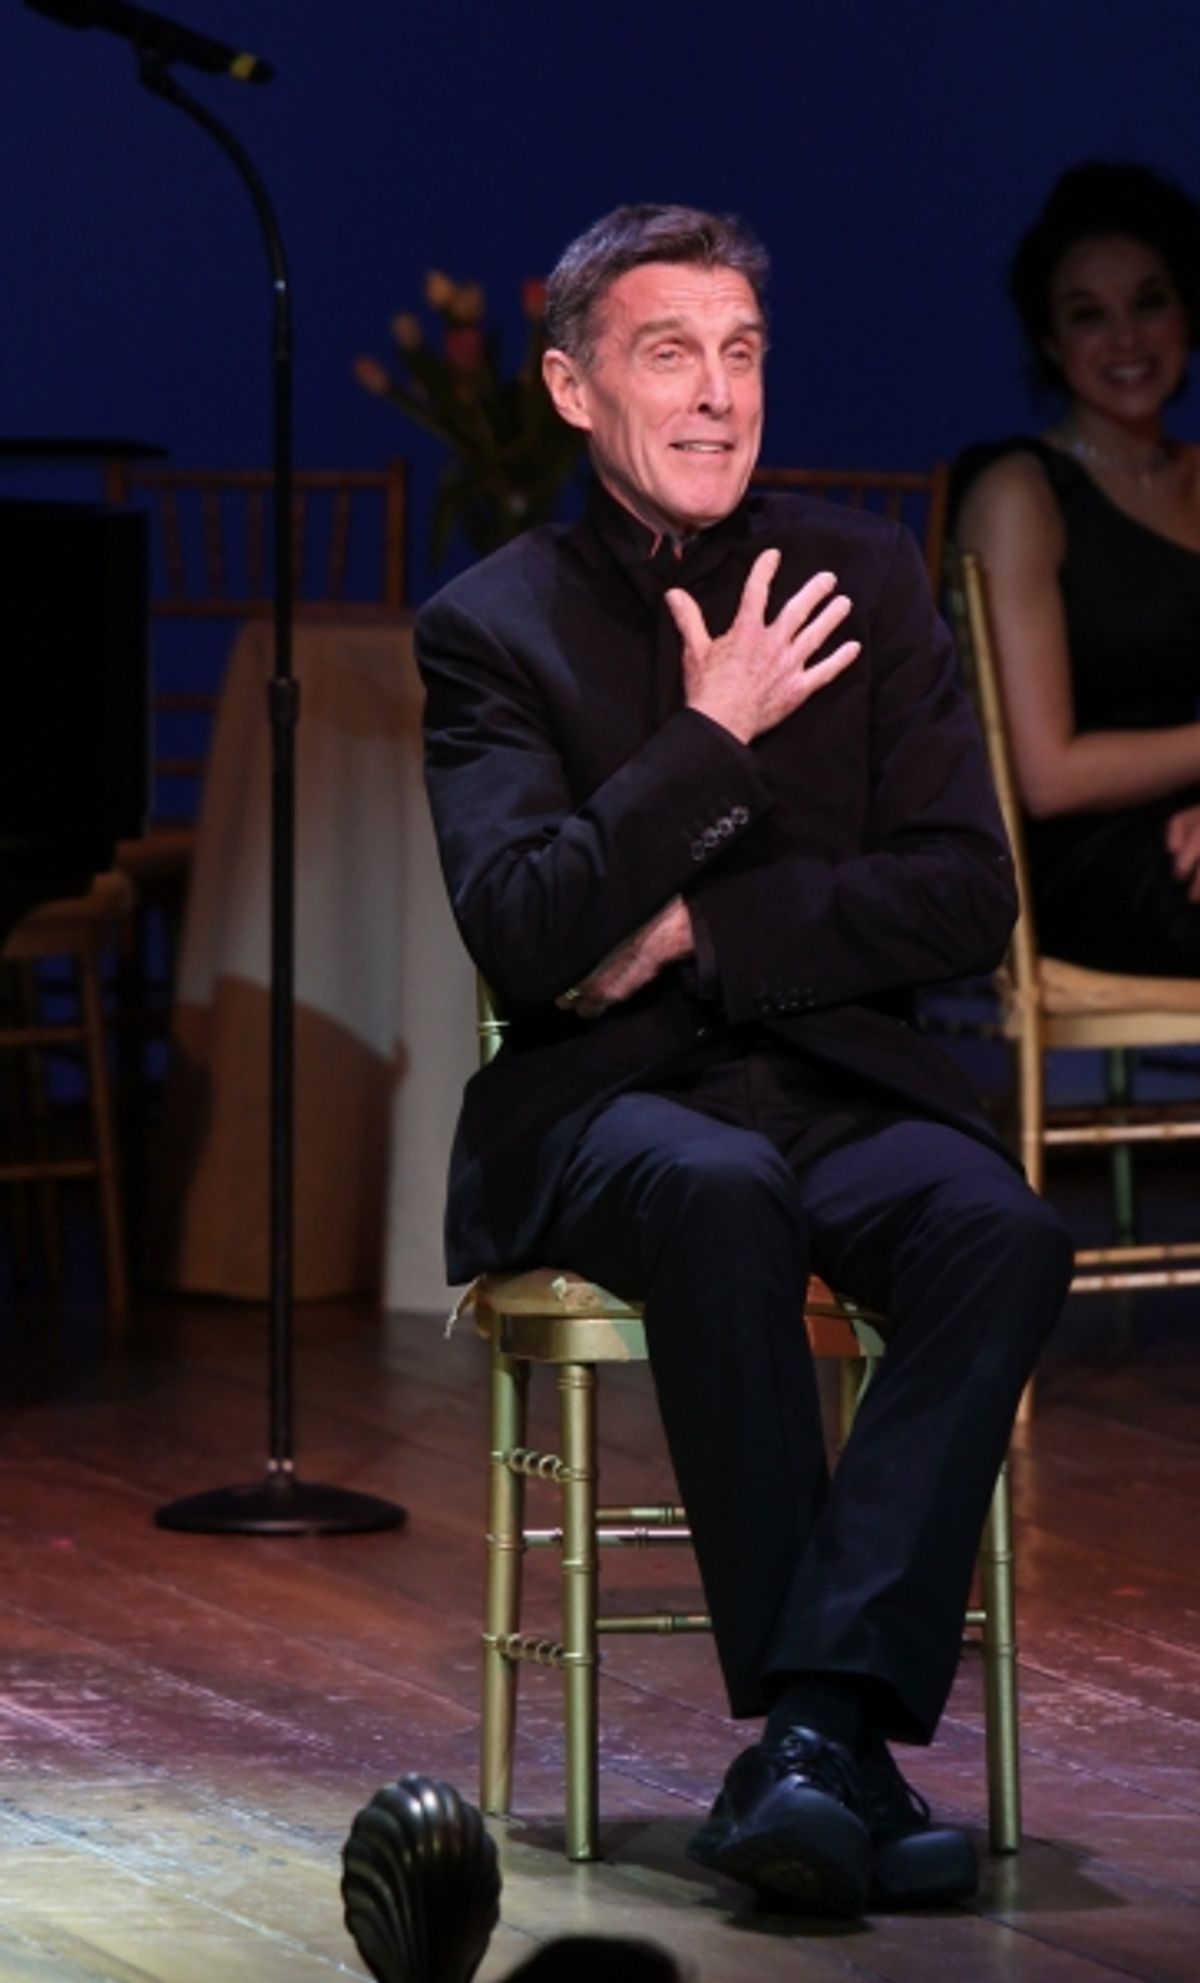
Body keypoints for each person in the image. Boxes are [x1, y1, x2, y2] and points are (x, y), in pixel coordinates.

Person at [416, 203, 1072, 1919]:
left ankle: (808, 1732)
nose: (715, 396)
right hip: (609, 1105)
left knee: (1001, 1227)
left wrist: (706, 931)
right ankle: (831, 1752)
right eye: (666, 355)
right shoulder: (494, 626)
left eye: (741, 355)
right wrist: (714, 735)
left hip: (840, 1085)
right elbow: (530, 933)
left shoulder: (857, 579)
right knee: (719, 1188)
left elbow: (965, 892)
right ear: (570, 387)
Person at [954, 160, 1200, 975]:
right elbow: (1046, 774)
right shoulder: (1024, 491)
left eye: (1149, 303)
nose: (1127, 339)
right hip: (1084, 861)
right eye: (1089, 316)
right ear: (1053, 343)